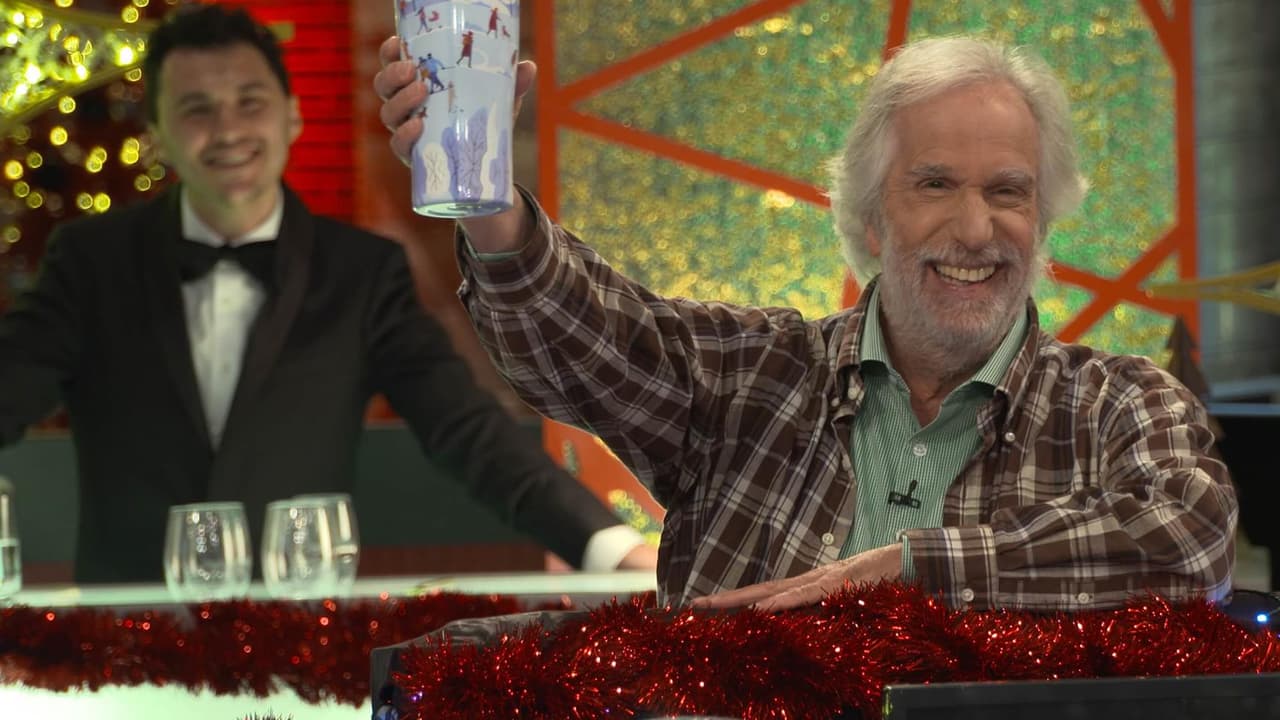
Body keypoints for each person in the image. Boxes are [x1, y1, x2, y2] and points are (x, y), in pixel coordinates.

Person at [374, 35, 1237, 611]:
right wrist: (485, 203)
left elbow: (1192, 544)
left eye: (1007, 191)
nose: (976, 228)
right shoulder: (749, 377)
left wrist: (914, 564)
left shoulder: (1120, 406)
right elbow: (583, 335)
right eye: (935, 184)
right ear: (870, 220)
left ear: (1042, 221)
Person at [0, 4, 655, 584]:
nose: (227, 131)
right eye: (196, 109)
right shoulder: (91, 261)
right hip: (121, 640)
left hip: (304, 636)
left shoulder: (361, 272)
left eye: (250, 103)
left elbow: (465, 429)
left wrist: (613, 549)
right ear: (158, 131)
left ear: (293, 116)